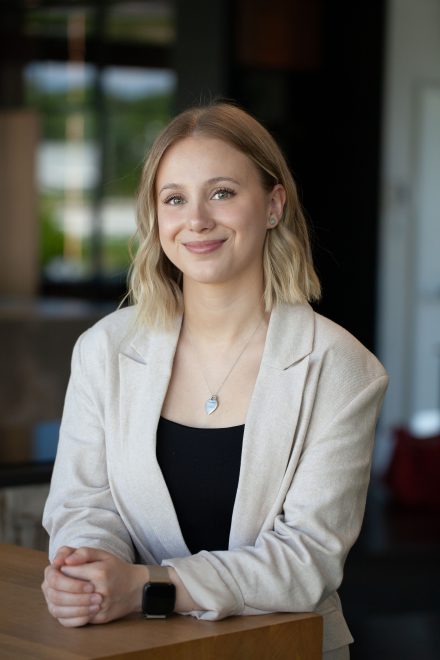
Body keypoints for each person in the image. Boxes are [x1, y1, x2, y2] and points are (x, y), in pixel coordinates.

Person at [42, 102, 388, 660]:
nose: (196, 220)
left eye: (222, 192)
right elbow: (85, 505)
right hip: (131, 646)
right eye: (174, 198)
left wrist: (147, 588)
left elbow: (307, 562)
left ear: (274, 205)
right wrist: (88, 572)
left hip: (283, 649)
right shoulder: (105, 350)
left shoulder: (341, 367)